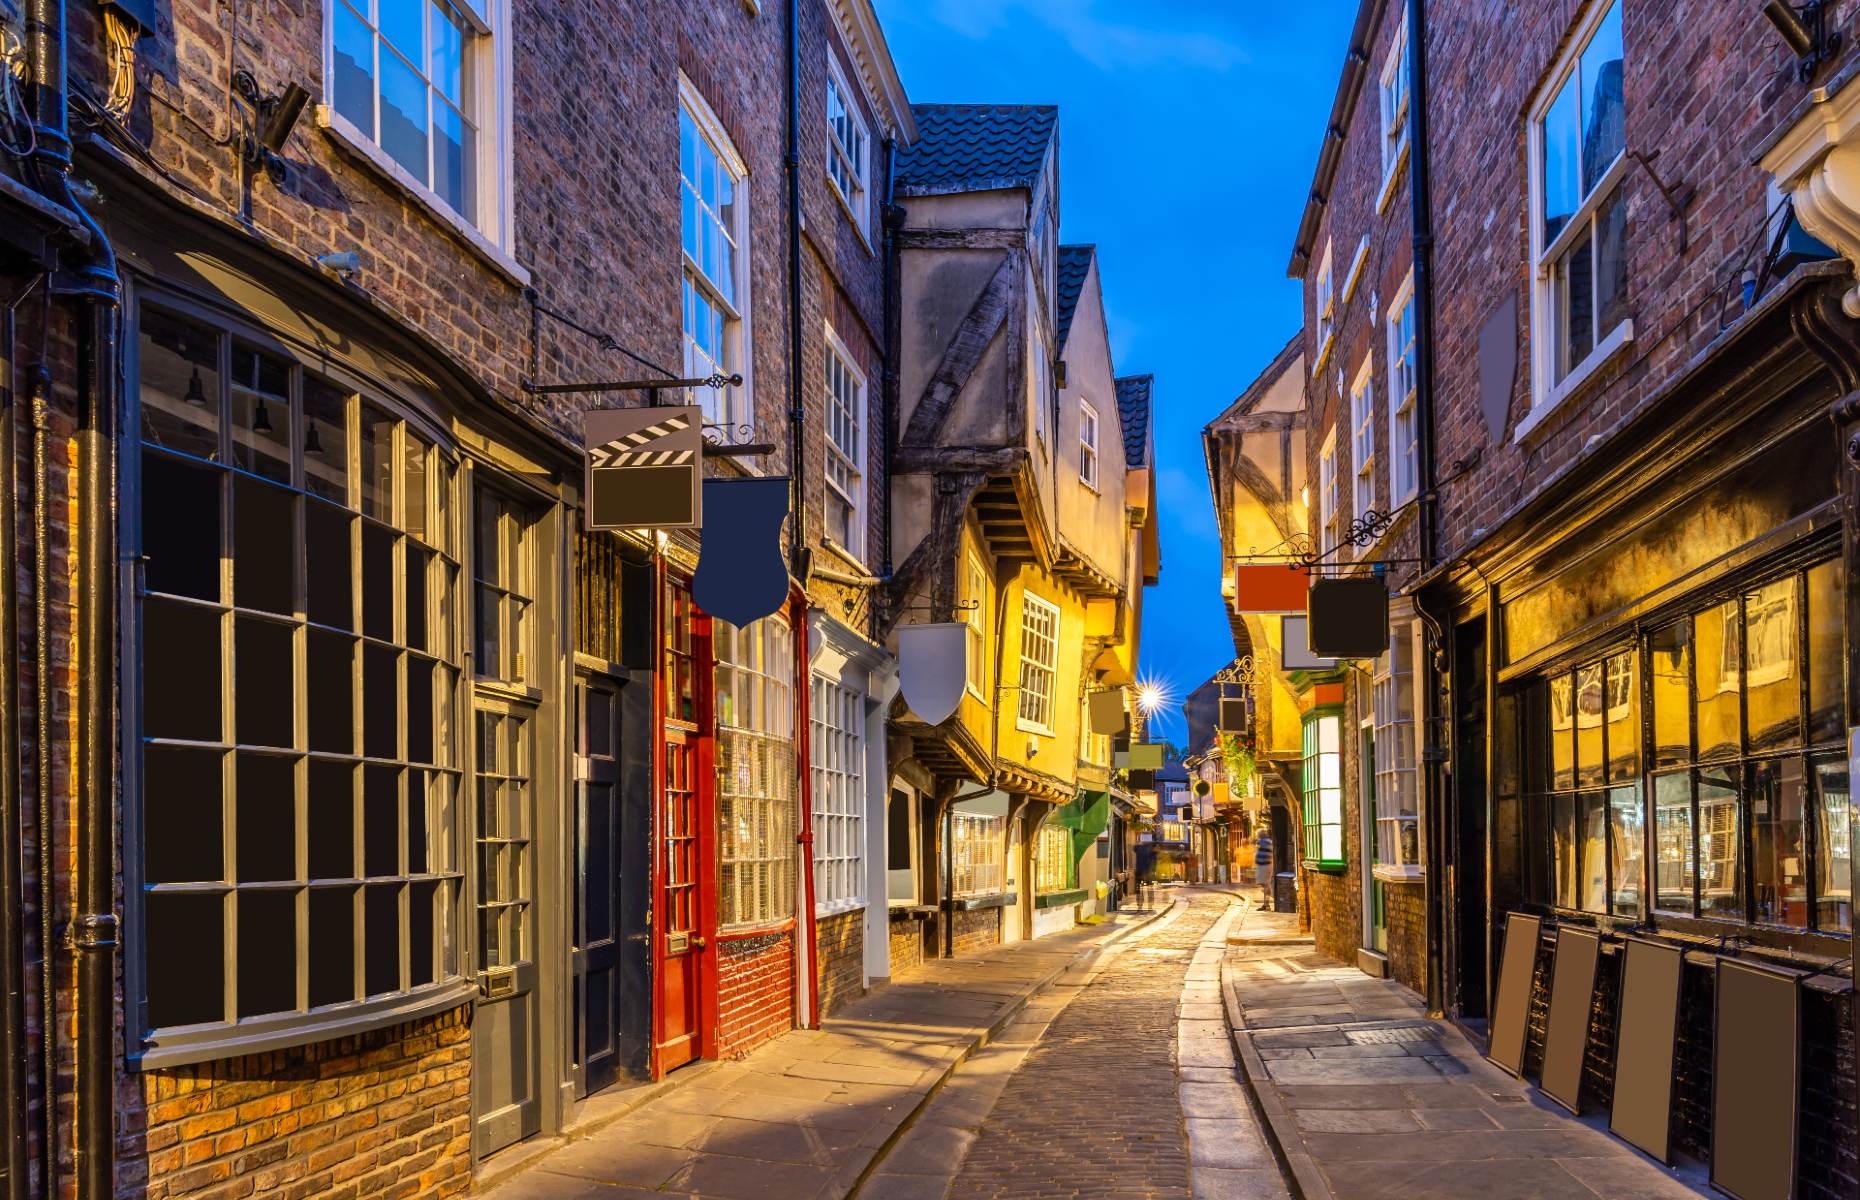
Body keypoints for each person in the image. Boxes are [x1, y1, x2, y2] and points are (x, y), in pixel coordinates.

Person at [1253, 827, 1274, 908]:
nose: (1257, 836)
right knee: (1265, 884)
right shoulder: (1265, 842)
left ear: (1260, 835)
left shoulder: (1263, 842)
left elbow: (1264, 853)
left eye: (1257, 834)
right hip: (1264, 865)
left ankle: (1266, 904)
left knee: (1265, 884)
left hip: (1265, 866)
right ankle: (1266, 903)